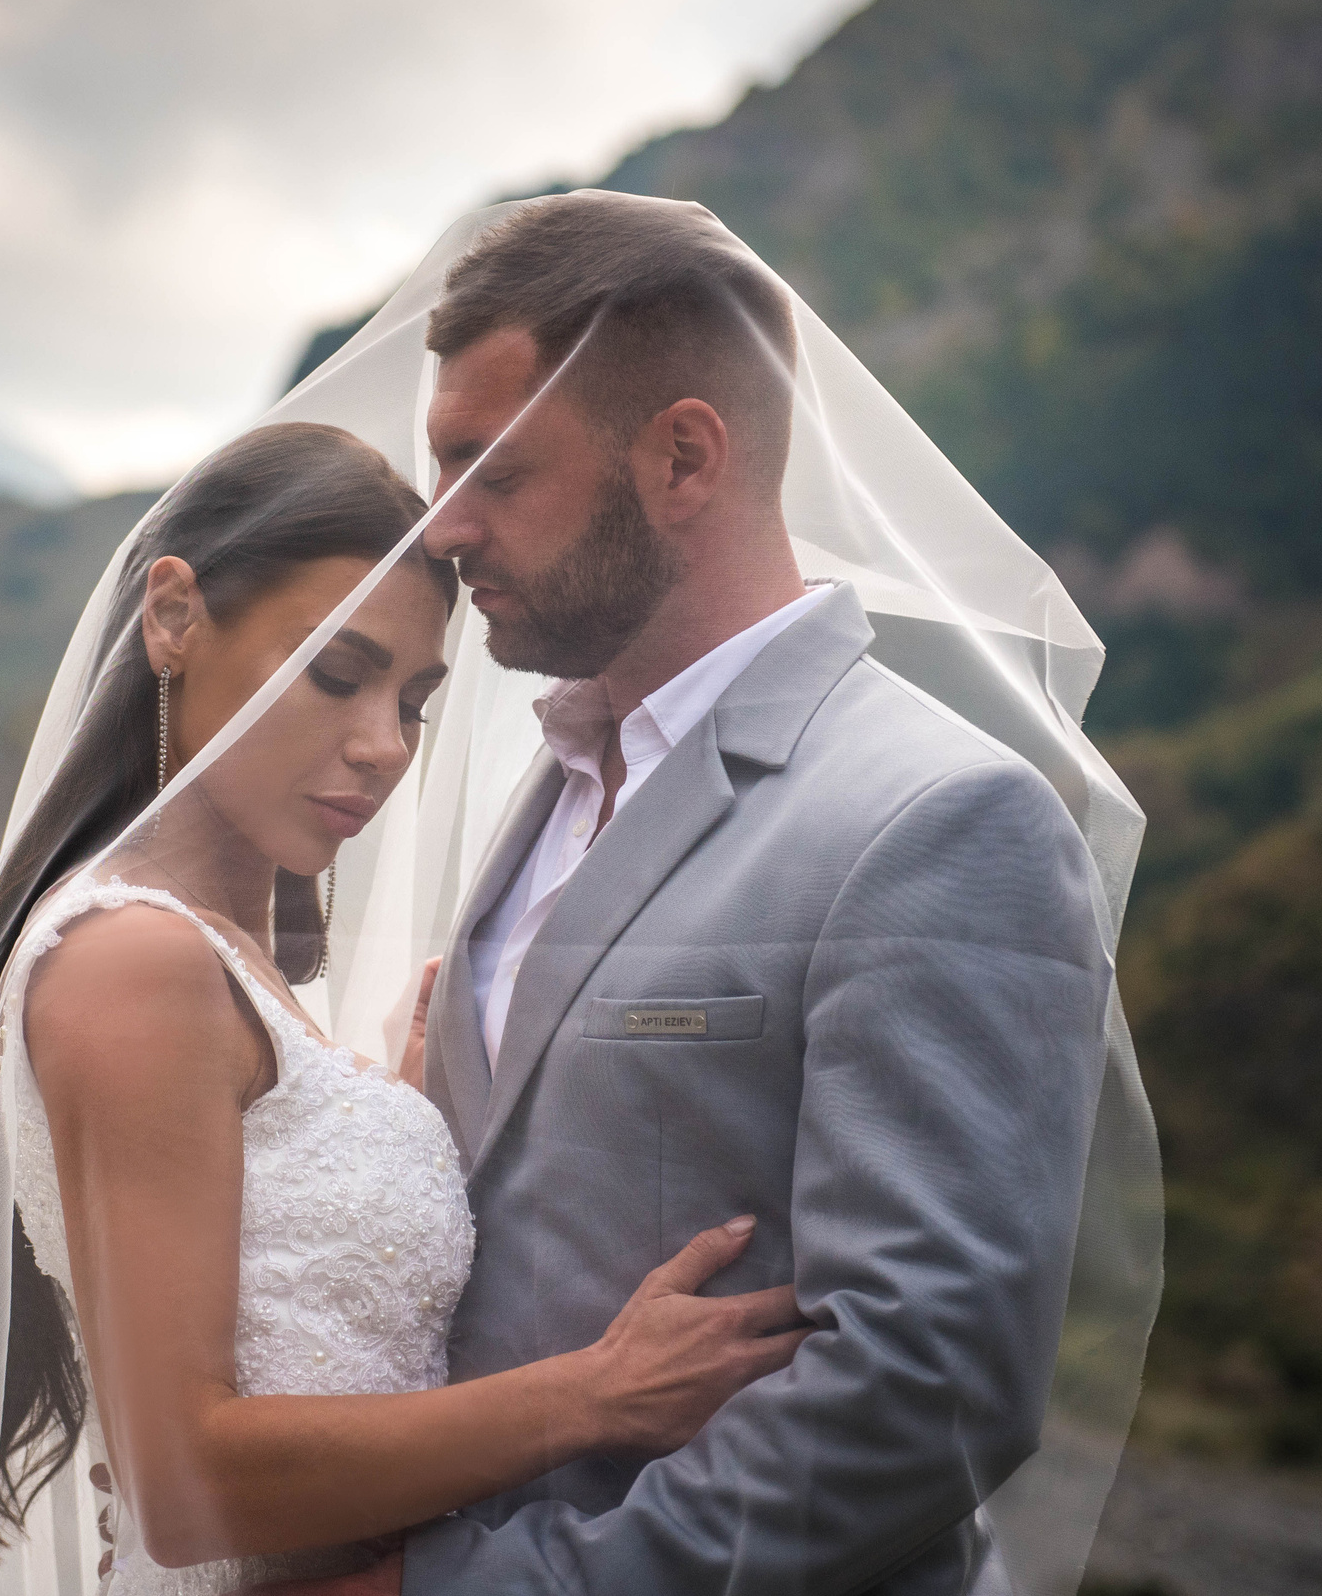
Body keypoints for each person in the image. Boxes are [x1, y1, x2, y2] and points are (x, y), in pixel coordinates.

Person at [271, 193, 1120, 1594]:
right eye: (441, 468)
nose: (445, 530)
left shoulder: (939, 818)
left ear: (682, 458)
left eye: (491, 468)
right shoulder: (546, 784)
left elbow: (926, 1393)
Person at [0, 421, 808, 1596]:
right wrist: (596, 1393)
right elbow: (185, 1486)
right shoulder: (135, 959)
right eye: (336, 673)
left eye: (414, 700)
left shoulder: (222, 964)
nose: (380, 746)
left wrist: (407, 1107)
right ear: (173, 616)